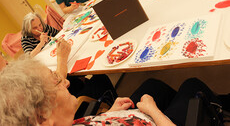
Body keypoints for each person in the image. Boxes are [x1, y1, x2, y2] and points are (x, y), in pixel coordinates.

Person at [0, 56, 227, 126]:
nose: (66, 83)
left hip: (123, 117)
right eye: (56, 82)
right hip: (155, 120)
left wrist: (109, 115)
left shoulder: (62, 122)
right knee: (191, 84)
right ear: (44, 115)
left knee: (152, 85)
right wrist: (154, 111)